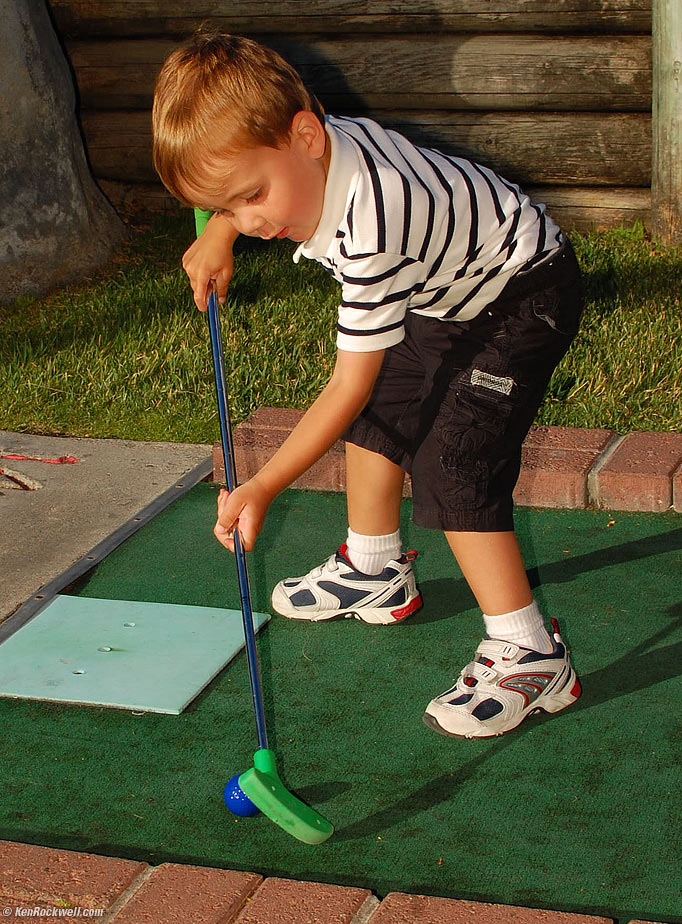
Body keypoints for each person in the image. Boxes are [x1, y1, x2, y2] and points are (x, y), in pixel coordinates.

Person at [152, 32, 583, 739]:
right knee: (387, 410)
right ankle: (374, 567)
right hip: (450, 289)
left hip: (522, 294)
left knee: (453, 460)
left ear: (306, 137)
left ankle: (531, 653)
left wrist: (263, 483)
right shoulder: (309, 144)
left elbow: (346, 385)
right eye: (230, 204)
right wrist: (222, 230)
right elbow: (368, 392)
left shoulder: (372, 226)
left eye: (252, 197)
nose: (256, 223)